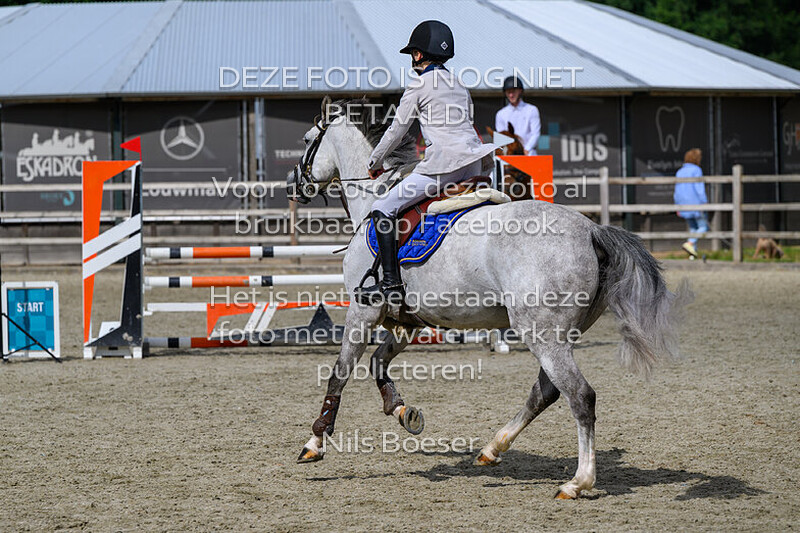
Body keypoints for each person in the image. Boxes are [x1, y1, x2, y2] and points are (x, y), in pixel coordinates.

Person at [355, 20, 496, 305]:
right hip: (475, 163)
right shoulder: (460, 84)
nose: (411, 59)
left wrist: (374, 161)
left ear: (418, 55)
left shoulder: (419, 84)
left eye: (412, 54)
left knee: (383, 208)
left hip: (444, 166)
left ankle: (391, 283)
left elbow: (398, 129)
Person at [674, 148, 709, 258]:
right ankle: (690, 243)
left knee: (693, 228)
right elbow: (699, 188)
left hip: (683, 205)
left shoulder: (679, 172)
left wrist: (678, 206)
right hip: (696, 204)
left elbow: (677, 191)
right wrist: (704, 202)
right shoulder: (697, 170)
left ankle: (692, 254)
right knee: (703, 227)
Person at [495, 76, 541, 155]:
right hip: (509, 155)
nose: (511, 95)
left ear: (520, 91)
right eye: (508, 92)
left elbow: (535, 133)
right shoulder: (501, 114)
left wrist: (527, 148)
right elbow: (501, 138)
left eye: (513, 91)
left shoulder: (532, 110)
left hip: (528, 154)